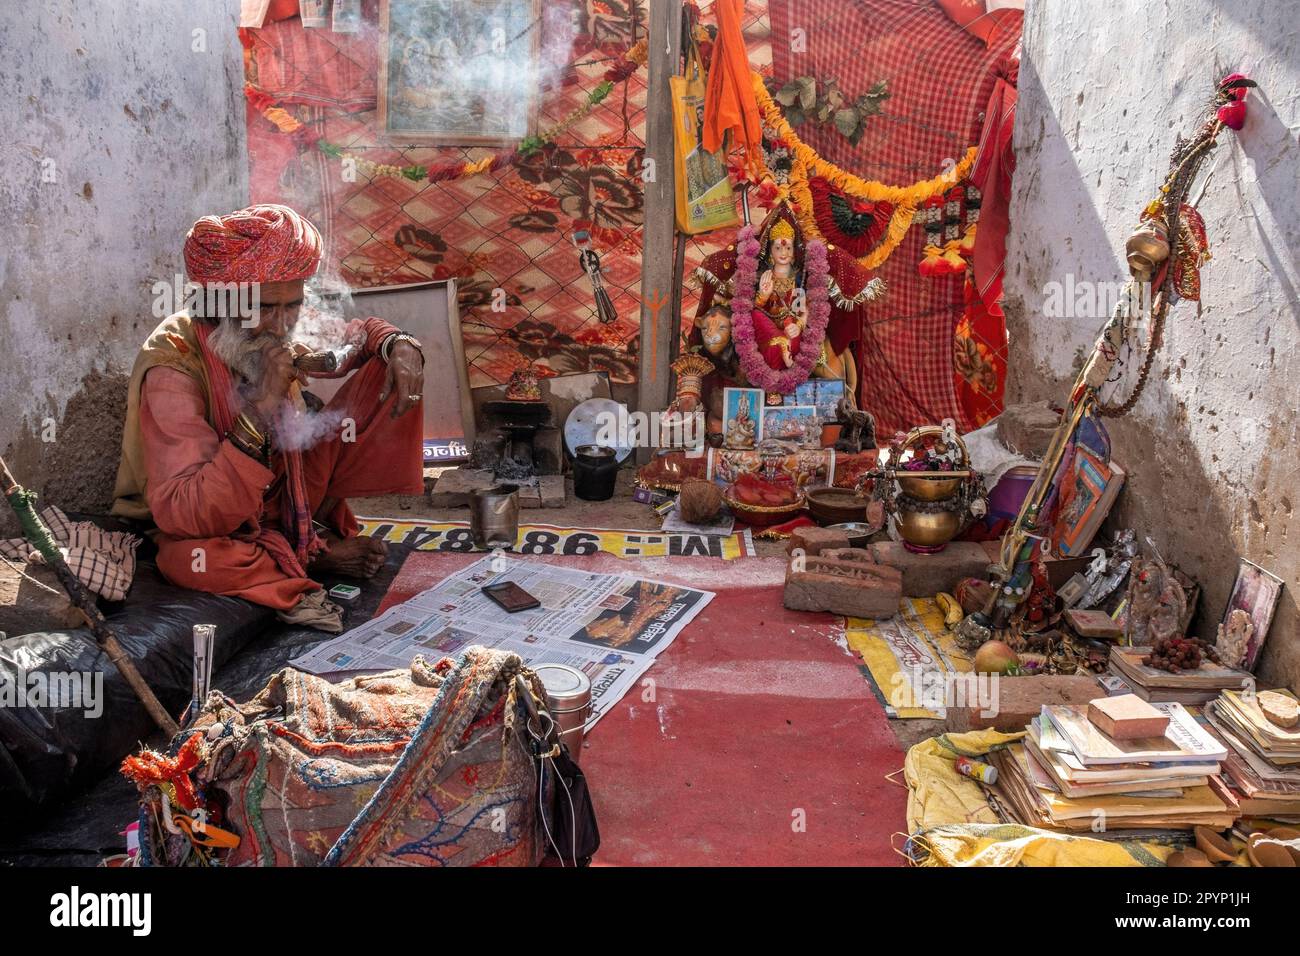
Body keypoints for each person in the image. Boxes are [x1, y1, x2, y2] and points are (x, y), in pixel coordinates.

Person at [112, 204, 425, 631]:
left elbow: (357, 337)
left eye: (292, 307)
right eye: (265, 310)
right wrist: (259, 407)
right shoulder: (174, 366)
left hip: (280, 492)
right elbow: (187, 513)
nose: (281, 326)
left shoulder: (278, 313)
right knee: (190, 560)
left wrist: (399, 343)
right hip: (213, 522)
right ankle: (310, 553)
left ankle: (300, 541)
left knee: (380, 367)